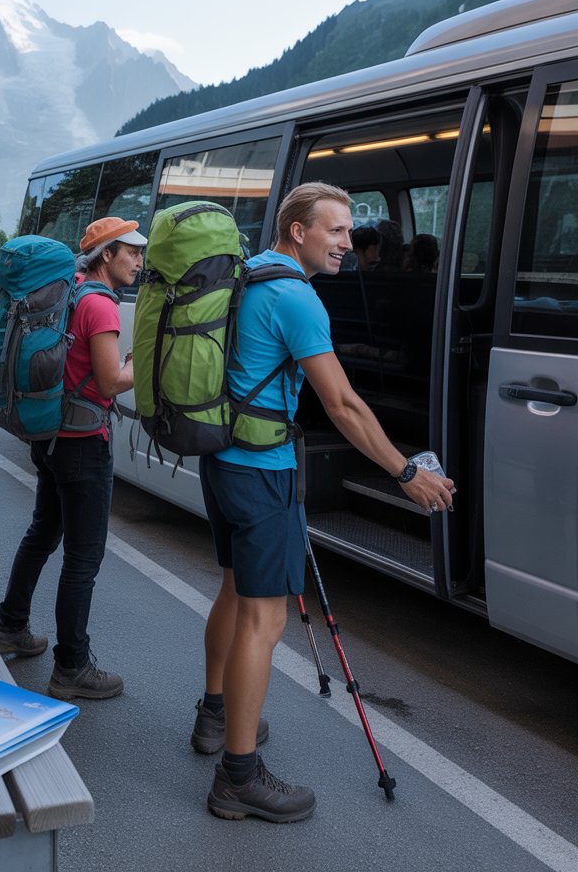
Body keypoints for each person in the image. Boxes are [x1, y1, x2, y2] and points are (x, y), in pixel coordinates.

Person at [194, 182, 455, 823]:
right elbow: (341, 404)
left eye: (347, 232)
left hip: (224, 459)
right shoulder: (298, 298)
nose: (347, 243)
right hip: (263, 471)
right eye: (335, 231)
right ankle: (238, 776)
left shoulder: (249, 275)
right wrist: (404, 471)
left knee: (233, 589)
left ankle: (215, 714)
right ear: (298, 233)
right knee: (266, 618)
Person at [0, 216, 146, 700]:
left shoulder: (71, 290)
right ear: (106, 255)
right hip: (82, 444)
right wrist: (146, 359)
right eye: (132, 253)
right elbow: (110, 382)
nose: (139, 262)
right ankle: (72, 666)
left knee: (43, 531)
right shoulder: (100, 307)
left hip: (50, 435)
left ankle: (11, 625)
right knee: (83, 557)